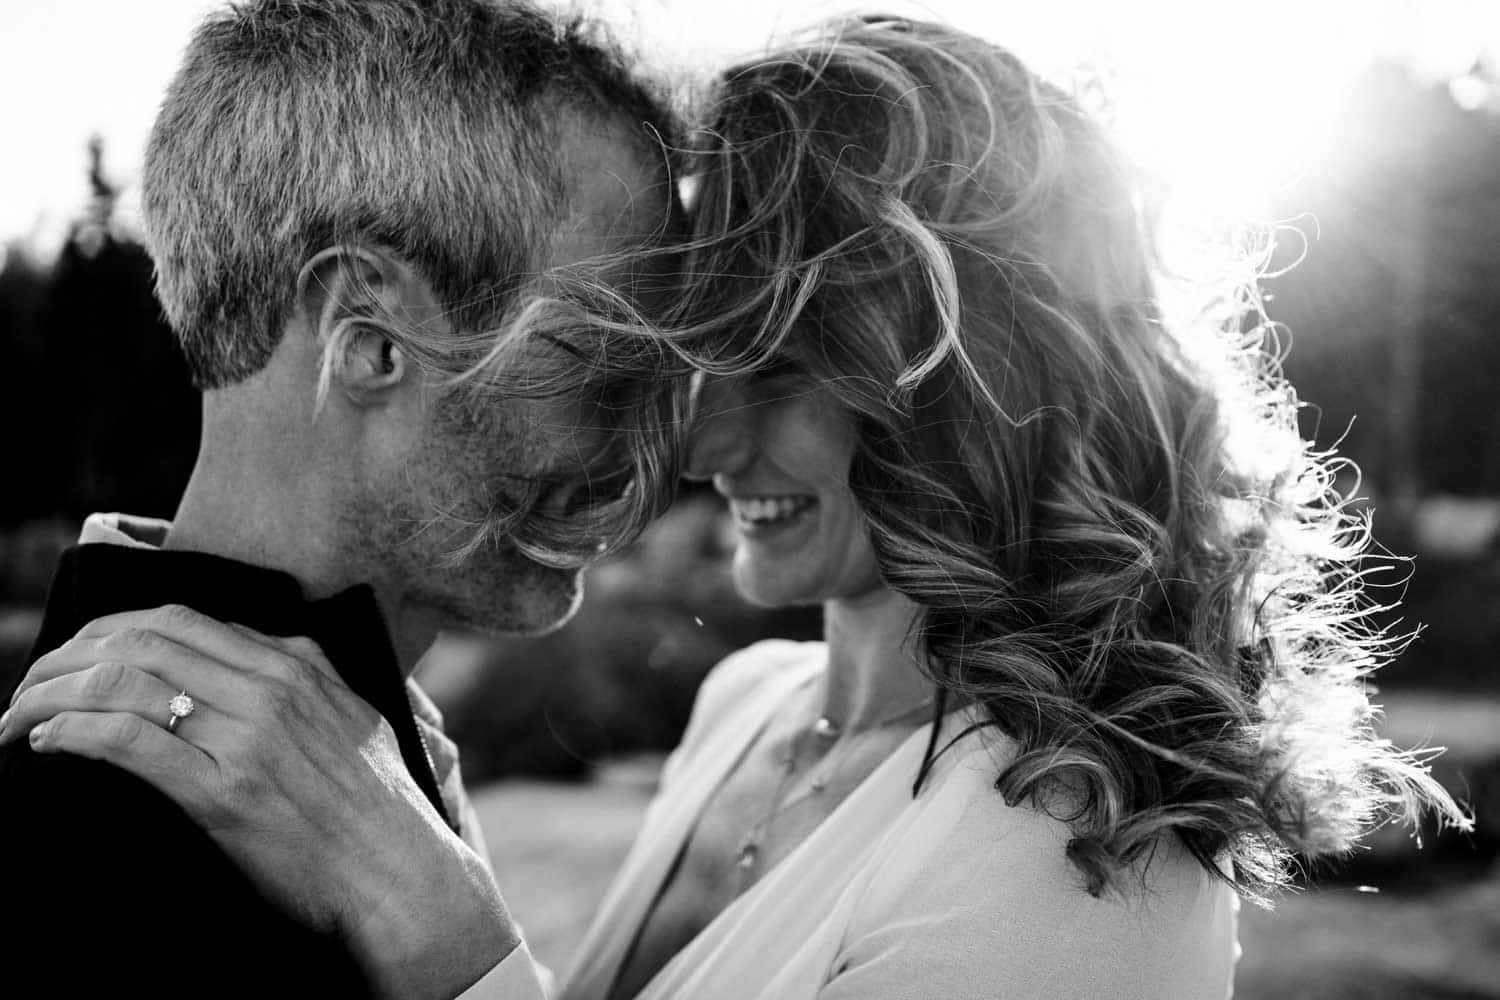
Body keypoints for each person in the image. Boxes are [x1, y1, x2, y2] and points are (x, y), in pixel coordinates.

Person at [3, 14, 1467, 1000]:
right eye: (641, 354)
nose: (688, 433)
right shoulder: (744, 714)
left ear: (973, 383)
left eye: (773, 357)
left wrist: (449, 931)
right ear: (372, 340)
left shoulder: (1087, 852)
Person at [0, 1, 685, 997]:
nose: (658, 442)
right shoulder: (104, 865)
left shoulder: (356, 768)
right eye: (611, 352)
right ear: (367, 337)